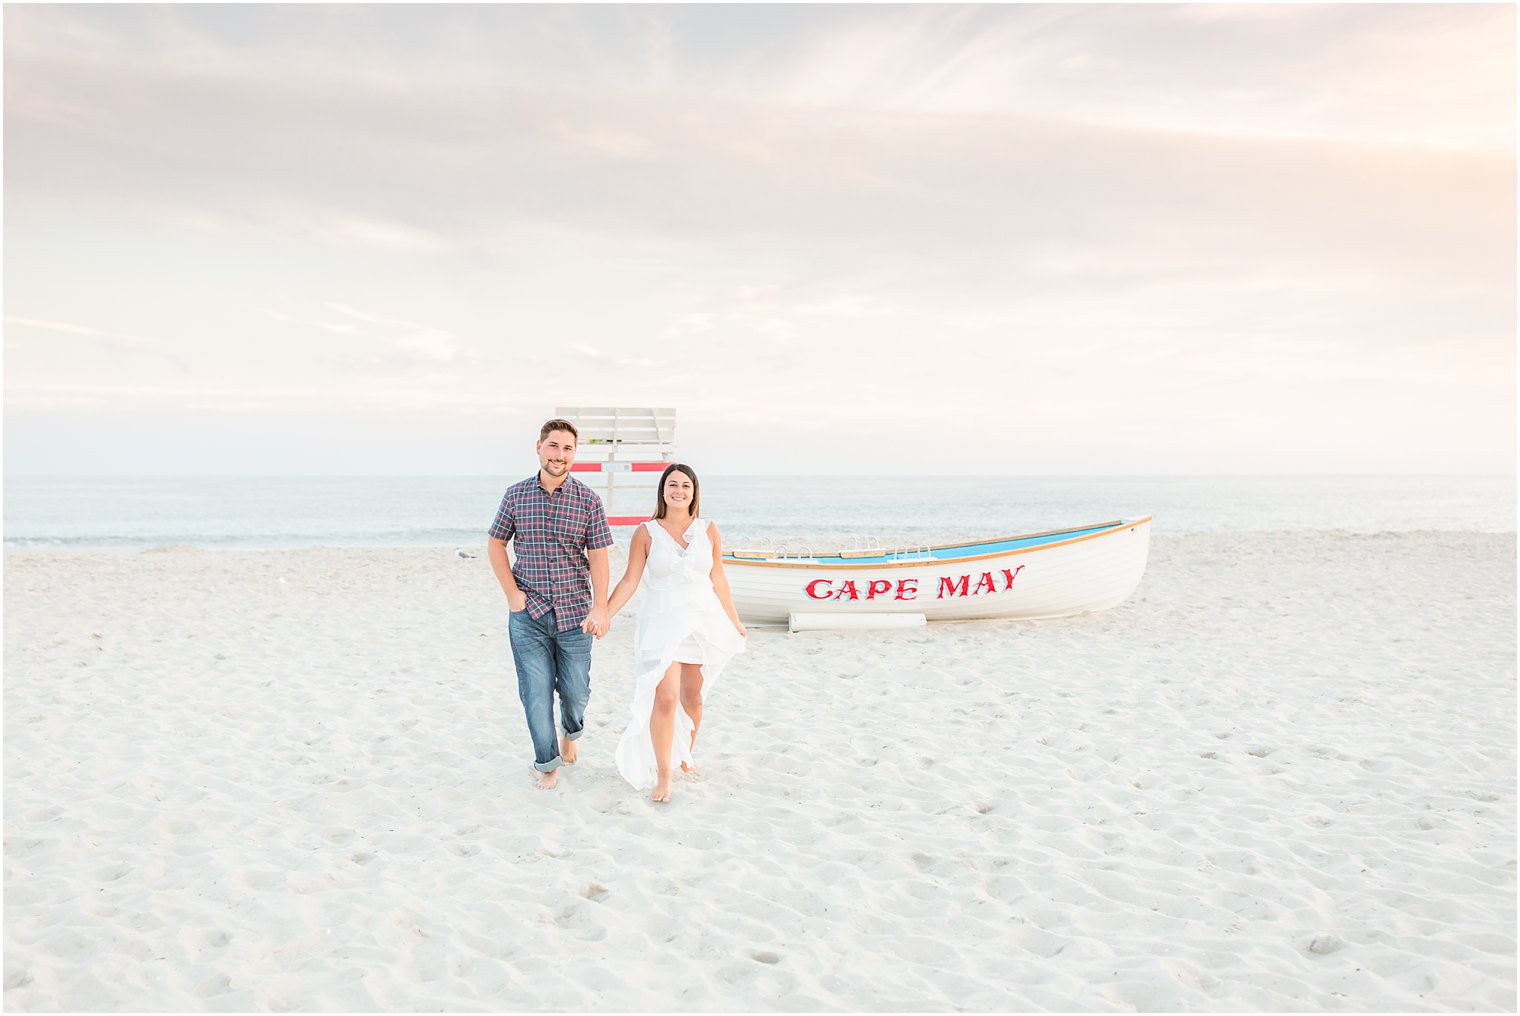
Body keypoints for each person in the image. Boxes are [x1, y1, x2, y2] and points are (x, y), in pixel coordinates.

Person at [606, 464, 747, 802]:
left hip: (702, 620)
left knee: (693, 697)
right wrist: (606, 613)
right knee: (665, 697)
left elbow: (719, 579)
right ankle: (664, 775)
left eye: (686, 485)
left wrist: (735, 620)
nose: (679, 490)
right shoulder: (646, 532)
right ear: (663, 490)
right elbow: (630, 580)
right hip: (660, 622)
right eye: (673, 484)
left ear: (694, 491)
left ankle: (685, 756)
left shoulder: (708, 529)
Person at [487, 419, 613, 790]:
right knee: (535, 692)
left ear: (574, 454)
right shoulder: (515, 495)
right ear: (539, 447)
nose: (560, 455)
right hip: (529, 615)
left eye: (567, 449)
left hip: (576, 615)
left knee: (576, 693)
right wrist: (511, 593)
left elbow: (600, 557)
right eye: (554, 446)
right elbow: (496, 543)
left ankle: (570, 734)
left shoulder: (588, 500)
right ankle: (547, 763)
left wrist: (601, 607)